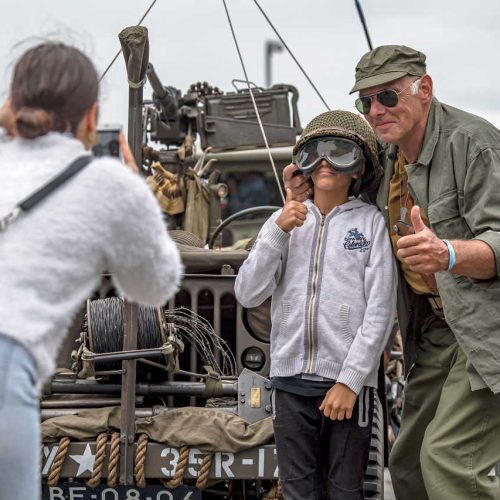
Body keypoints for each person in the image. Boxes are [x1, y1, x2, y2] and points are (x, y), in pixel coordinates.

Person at [285, 45, 500, 500]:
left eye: (387, 97)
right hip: (436, 330)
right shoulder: (386, 157)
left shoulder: (473, 142)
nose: (375, 111)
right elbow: (343, 201)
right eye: (365, 101)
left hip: (487, 329)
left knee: (448, 459)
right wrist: (303, 188)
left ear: (425, 89)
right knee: (407, 462)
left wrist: (449, 254)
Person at [0, 42, 183, 500]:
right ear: (90, 116)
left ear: (13, 105)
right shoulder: (108, 183)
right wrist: (138, 192)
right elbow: (153, 285)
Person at [235, 110, 396, 500]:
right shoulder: (283, 221)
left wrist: (350, 380)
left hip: (346, 387)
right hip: (289, 383)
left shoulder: (372, 225)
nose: (325, 161)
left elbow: (380, 311)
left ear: (358, 167)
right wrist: (279, 229)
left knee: (345, 491)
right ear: (303, 162)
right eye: (315, 151)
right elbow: (248, 293)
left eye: (340, 151)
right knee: (297, 491)